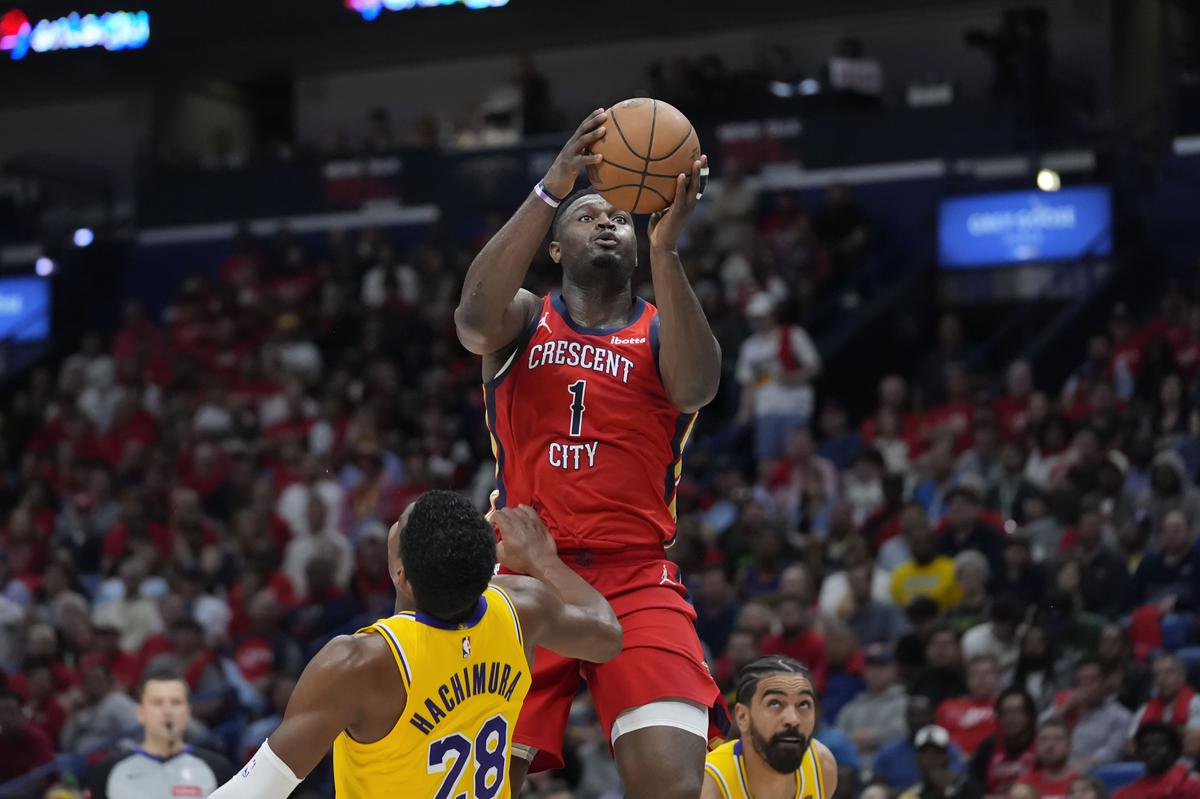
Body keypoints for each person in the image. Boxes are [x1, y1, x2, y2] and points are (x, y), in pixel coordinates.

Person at [454, 107, 725, 799]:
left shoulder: (663, 333)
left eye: (621, 217)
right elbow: (471, 321)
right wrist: (551, 186)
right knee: (482, 786)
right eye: (585, 214)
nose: (606, 221)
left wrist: (667, 249)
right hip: (523, 577)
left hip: (636, 575)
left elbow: (698, 387)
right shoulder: (522, 317)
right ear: (553, 247)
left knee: (672, 788)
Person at [209, 493, 622, 798]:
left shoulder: (360, 663)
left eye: (399, 526)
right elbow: (607, 636)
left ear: (401, 573)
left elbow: (254, 792)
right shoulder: (522, 607)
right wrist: (542, 560)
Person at [701, 656, 838, 799]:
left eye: (803, 704)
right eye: (775, 703)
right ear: (742, 716)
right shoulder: (709, 786)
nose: (793, 719)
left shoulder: (822, 766)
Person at [90, 669, 235, 799]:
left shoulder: (218, 769)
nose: (167, 711)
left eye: (176, 702)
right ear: (140, 712)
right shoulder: (107, 772)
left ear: (188, 712)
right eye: (157, 703)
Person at [1045, 659, 1133, 772]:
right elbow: (1038, 730)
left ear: (1105, 682)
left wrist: (1084, 765)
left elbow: (1113, 751)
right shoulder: (1066, 704)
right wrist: (1063, 709)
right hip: (1055, 769)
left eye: (1093, 680)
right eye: (1081, 680)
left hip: (1094, 773)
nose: (1086, 685)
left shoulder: (1121, 715)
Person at [834, 644, 909, 768]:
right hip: (852, 770)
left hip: (887, 771)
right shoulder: (853, 706)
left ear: (895, 669)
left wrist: (874, 738)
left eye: (882, 666)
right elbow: (837, 737)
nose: (876, 672)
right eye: (871, 666)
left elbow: (902, 732)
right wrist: (852, 741)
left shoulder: (904, 702)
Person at [875, 695, 966, 792]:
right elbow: (878, 787)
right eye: (912, 715)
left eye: (922, 715)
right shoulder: (888, 753)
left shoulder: (950, 750)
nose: (917, 720)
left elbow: (958, 783)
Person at [1129, 654, 1200, 759]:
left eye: (1169, 672)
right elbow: (1130, 745)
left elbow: (1193, 745)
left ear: (1182, 676)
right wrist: (1178, 733)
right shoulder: (1145, 708)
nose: (1162, 679)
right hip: (1150, 767)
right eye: (1157, 674)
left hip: (1186, 766)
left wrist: (1151, 743)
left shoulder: (1196, 702)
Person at [970, 688, 1037, 796]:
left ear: (1029, 716)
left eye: (1017, 711)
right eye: (1006, 712)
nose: (1011, 718)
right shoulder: (988, 746)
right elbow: (974, 785)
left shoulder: (1040, 746)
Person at [1111, 722, 1200, 799]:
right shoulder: (1123, 795)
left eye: (1159, 744)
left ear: (1174, 751)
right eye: (1145, 746)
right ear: (1138, 754)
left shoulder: (1192, 787)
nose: (1151, 750)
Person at [899, 725, 984, 799]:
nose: (931, 758)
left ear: (946, 756)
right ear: (918, 759)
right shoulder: (914, 794)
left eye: (937, 753)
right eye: (925, 753)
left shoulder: (967, 787)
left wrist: (944, 791)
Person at [1016, 718, 1078, 799]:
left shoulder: (1080, 785)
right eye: (1044, 739)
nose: (1050, 745)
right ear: (1036, 746)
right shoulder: (1025, 784)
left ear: (1069, 747)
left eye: (1058, 739)